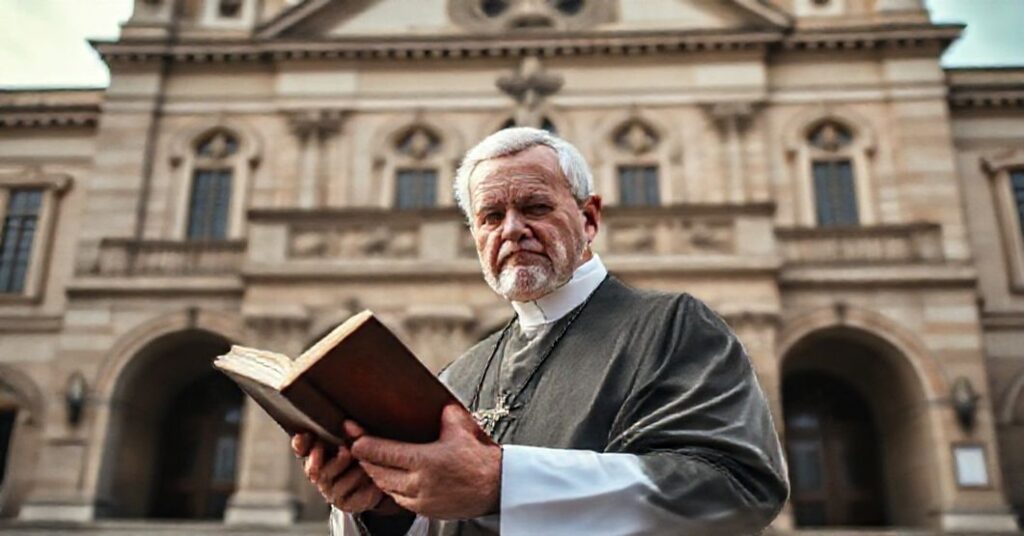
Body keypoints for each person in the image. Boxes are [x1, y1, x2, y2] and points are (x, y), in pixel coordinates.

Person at [292, 127, 789, 535]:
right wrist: (386, 509)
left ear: (589, 218)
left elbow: (733, 489)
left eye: (534, 208)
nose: (511, 229)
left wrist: (503, 481)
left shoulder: (672, 327)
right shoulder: (461, 371)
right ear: (475, 237)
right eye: (491, 216)